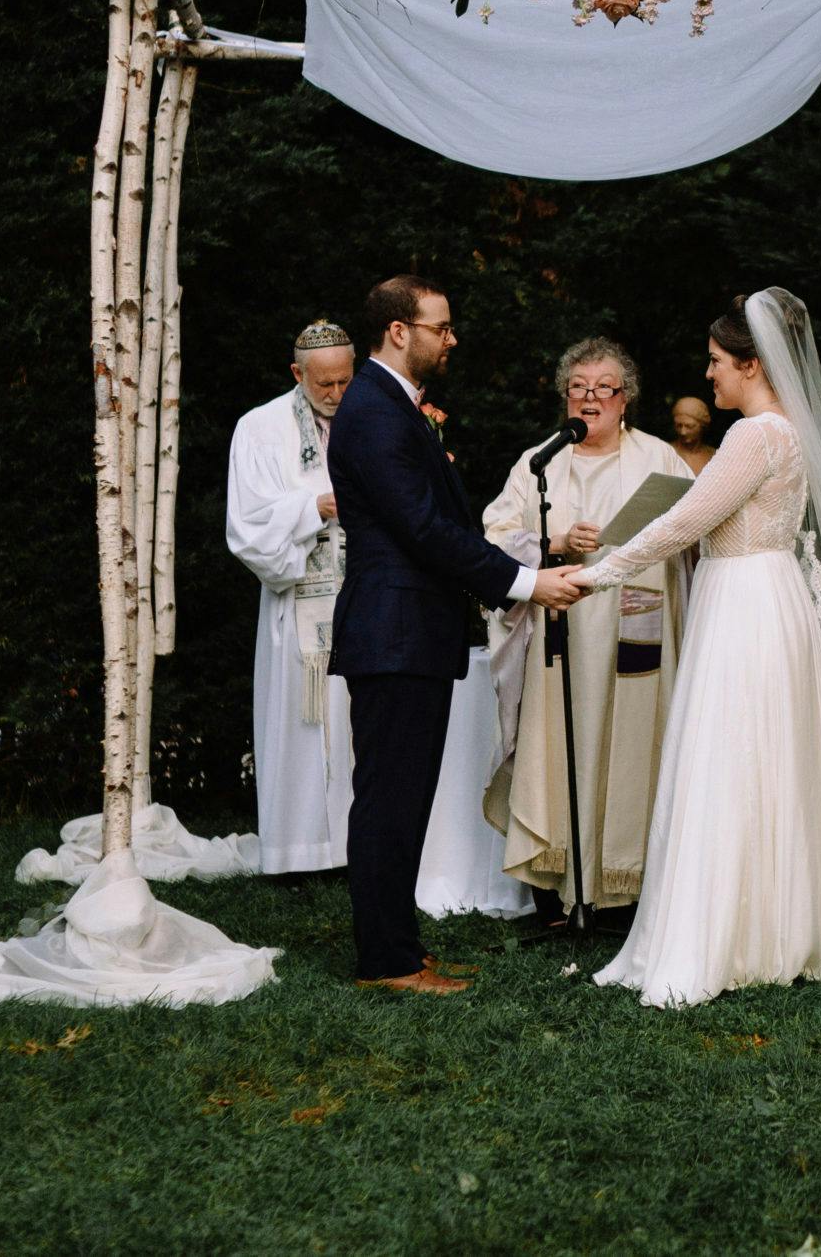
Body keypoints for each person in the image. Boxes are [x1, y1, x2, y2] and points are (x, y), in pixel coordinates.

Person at [575, 295, 821, 1006]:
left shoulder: (754, 435)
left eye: (715, 361)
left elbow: (687, 520)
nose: (707, 375)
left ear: (753, 364)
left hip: (743, 603)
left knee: (731, 757)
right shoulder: (788, 431)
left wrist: (597, 572)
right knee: (767, 761)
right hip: (769, 594)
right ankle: (778, 925)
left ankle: (729, 933)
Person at [327, 275, 584, 995]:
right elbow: (425, 529)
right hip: (394, 629)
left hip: (410, 630)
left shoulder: (394, 407)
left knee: (403, 797)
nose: (452, 338)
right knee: (387, 798)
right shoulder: (375, 411)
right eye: (441, 326)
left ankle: (400, 947)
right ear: (400, 331)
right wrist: (529, 582)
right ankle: (386, 961)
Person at [482, 337, 693, 915]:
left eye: (605, 388)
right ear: (565, 398)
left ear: (627, 400)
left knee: (632, 742)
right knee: (554, 742)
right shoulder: (539, 461)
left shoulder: (659, 459)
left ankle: (624, 888)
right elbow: (492, 538)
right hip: (560, 633)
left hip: (637, 626)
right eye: (579, 388)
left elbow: (692, 536)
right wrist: (551, 541)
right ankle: (555, 881)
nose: (591, 399)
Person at [226, 319, 358, 876]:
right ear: (296, 374)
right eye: (323, 384)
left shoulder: (368, 417)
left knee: (358, 720)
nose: (334, 395)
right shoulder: (259, 427)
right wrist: (315, 509)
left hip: (361, 594)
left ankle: (356, 848)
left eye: (345, 382)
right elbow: (247, 523)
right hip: (297, 605)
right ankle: (299, 853)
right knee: (302, 728)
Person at [669, 395, 715, 474]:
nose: (683, 432)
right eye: (679, 425)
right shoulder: (666, 451)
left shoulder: (714, 456)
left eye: (689, 426)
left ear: (702, 426)